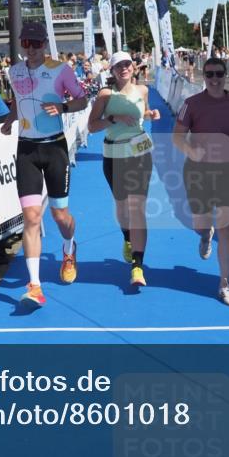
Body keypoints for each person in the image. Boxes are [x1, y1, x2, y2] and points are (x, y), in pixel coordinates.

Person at [0, 22, 89, 307]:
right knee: (31, 217)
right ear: (21, 44)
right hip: (26, 149)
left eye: (37, 44)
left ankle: (69, 247)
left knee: (60, 217)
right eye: (26, 43)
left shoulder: (61, 69)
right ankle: (35, 286)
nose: (31, 49)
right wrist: (10, 119)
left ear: (45, 45)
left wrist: (63, 107)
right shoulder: (14, 71)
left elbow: (82, 100)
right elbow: (18, 101)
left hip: (54, 149)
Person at [172, 57, 229, 307]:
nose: (214, 79)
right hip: (199, 170)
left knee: (228, 226)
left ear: (225, 75)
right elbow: (177, 137)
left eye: (218, 74)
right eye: (209, 74)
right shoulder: (192, 104)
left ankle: (225, 284)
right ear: (204, 76)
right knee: (200, 223)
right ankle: (204, 234)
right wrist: (191, 152)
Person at [87, 51, 160, 287]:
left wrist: (151, 114)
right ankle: (128, 238)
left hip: (140, 153)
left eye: (127, 64)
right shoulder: (105, 94)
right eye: (119, 66)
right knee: (122, 207)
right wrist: (113, 118)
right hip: (114, 155)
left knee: (137, 209)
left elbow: (143, 114)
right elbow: (91, 126)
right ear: (112, 70)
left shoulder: (143, 90)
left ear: (133, 67)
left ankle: (137, 266)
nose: (124, 68)